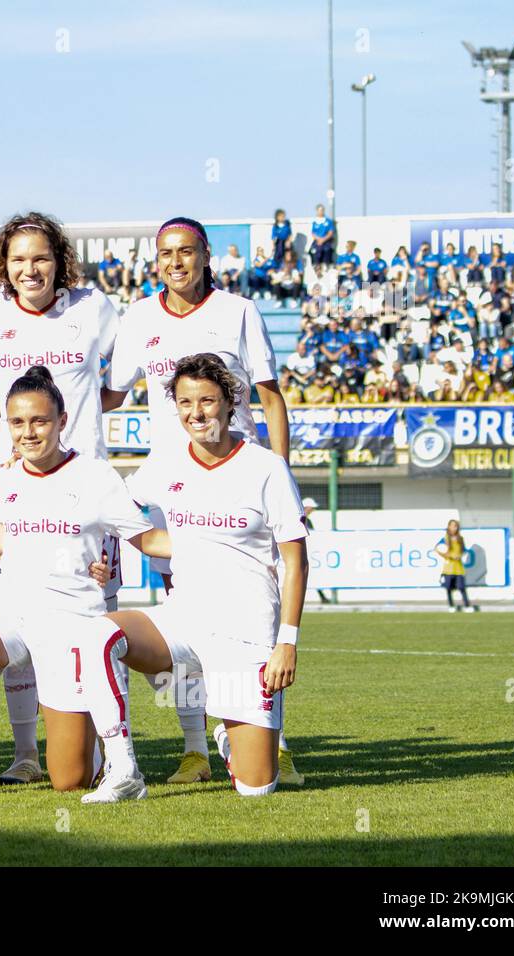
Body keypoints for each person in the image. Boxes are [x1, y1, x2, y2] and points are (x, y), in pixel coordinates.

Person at [106, 214, 304, 786]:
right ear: (155, 261)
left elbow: (270, 399)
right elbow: (111, 396)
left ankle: (269, 737)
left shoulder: (238, 311)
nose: (176, 262)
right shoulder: (138, 318)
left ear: (206, 255)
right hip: (170, 490)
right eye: (166, 253)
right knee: (181, 618)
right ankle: (196, 745)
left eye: (186, 251)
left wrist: (279, 480)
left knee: (253, 615)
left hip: (236, 486)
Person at [0, 366, 166, 802]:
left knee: (68, 779)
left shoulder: (95, 476)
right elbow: (4, 543)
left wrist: (214, 542)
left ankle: (99, 754)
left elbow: (146, 538)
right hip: (9, 610)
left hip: (70, 620)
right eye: (17, 422)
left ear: (62, 421)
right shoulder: (6, 475)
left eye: (39, 421)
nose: (28, 432)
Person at [0, 211, 123, 785]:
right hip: (15, 490)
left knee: (95, 619)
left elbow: (120, 384)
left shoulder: (94, 309)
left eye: (40, 257)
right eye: (17, 260)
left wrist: (75, 425)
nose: (29, 269)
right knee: (20, 618)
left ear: (59, 260)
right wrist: (19, 428)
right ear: (3, 267)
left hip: (84, 493)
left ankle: (111, 753)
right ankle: (26, 752)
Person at [433, 520, 476, 612]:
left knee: (461, 587)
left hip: (458, 567)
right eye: (452, 526)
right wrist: (448, 555)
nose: (454, 528)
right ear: (448, 527)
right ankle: (451, 606)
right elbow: (437, 549)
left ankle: (467, 606)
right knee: (448, 588)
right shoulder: (445, 539)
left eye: (455, 526)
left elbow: (463, 551)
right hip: (448, 567)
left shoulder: (460, 538)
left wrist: (459, 556)